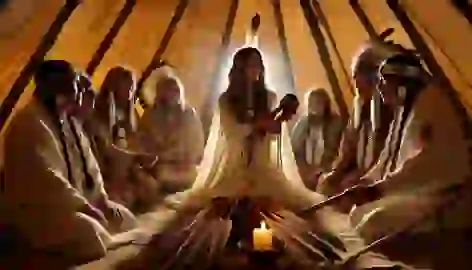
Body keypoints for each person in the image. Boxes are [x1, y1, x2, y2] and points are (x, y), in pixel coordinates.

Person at [114, 47, 412, 269]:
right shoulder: (225, 100)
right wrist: (259, 126)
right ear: (237, 70)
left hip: (262, 166)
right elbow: (232, 134)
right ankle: (242, 242)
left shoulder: (270, 97)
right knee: (212, 212)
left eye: (256, 66)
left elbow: (273, 138)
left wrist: (275, 122)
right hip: (234, 166)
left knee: (285, 211)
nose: (253, 72)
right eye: (247, 67)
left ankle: (264, 246)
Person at [1, 60, 135, 265]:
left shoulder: (67, 120)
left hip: (76, 204)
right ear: (55, 90)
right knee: (92, 235)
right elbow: (48, 180)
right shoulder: (28, 125)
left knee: (126, 220)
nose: (77, 98)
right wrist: (85, 207)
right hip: (43, 214)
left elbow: (89, 166)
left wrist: (101, 199)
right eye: (72, 91)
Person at [347, 52, 472, 243]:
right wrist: (366, 181)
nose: (379, 87)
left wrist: (380, 189)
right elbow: (388, 157)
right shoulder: (404, 109)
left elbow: (426, 163)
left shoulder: (433, 103)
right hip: (411, 191)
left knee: (372, 223)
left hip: (440, 196)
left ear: (403, 83)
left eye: (384, 80)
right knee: (357, 214)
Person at [317, 42, 394, 198]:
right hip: (358, 173)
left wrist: (361, 179)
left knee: (346, 198)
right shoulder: (358, 108)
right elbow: (348, 150)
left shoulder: (389, 108)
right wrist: (334, 174)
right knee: (325, 187)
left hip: (380, 179)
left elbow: (385, 157)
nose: (356, 85)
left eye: (360, 79)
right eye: (355, 79)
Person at [135, 66, 204, 194]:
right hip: (161, 165)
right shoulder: (150, 115)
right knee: (161, 177)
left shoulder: (189, 114)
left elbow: (197, 142)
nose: (171, 93)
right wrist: (157, 157)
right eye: (167, 90)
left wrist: (186, 158)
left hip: (185, 165)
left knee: (195, 176)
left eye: (174, 90)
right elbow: (142, 141)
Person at [291, 88, 343, 189]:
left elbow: (336, 152)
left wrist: (321, 171)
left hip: (328, 170)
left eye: (318, 102)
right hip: (305, 171)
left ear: (326, 104)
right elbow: (295, 150)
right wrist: (305, 171)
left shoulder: (335, 123)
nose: (314, 107)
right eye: (311, 103)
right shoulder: (303, 123)